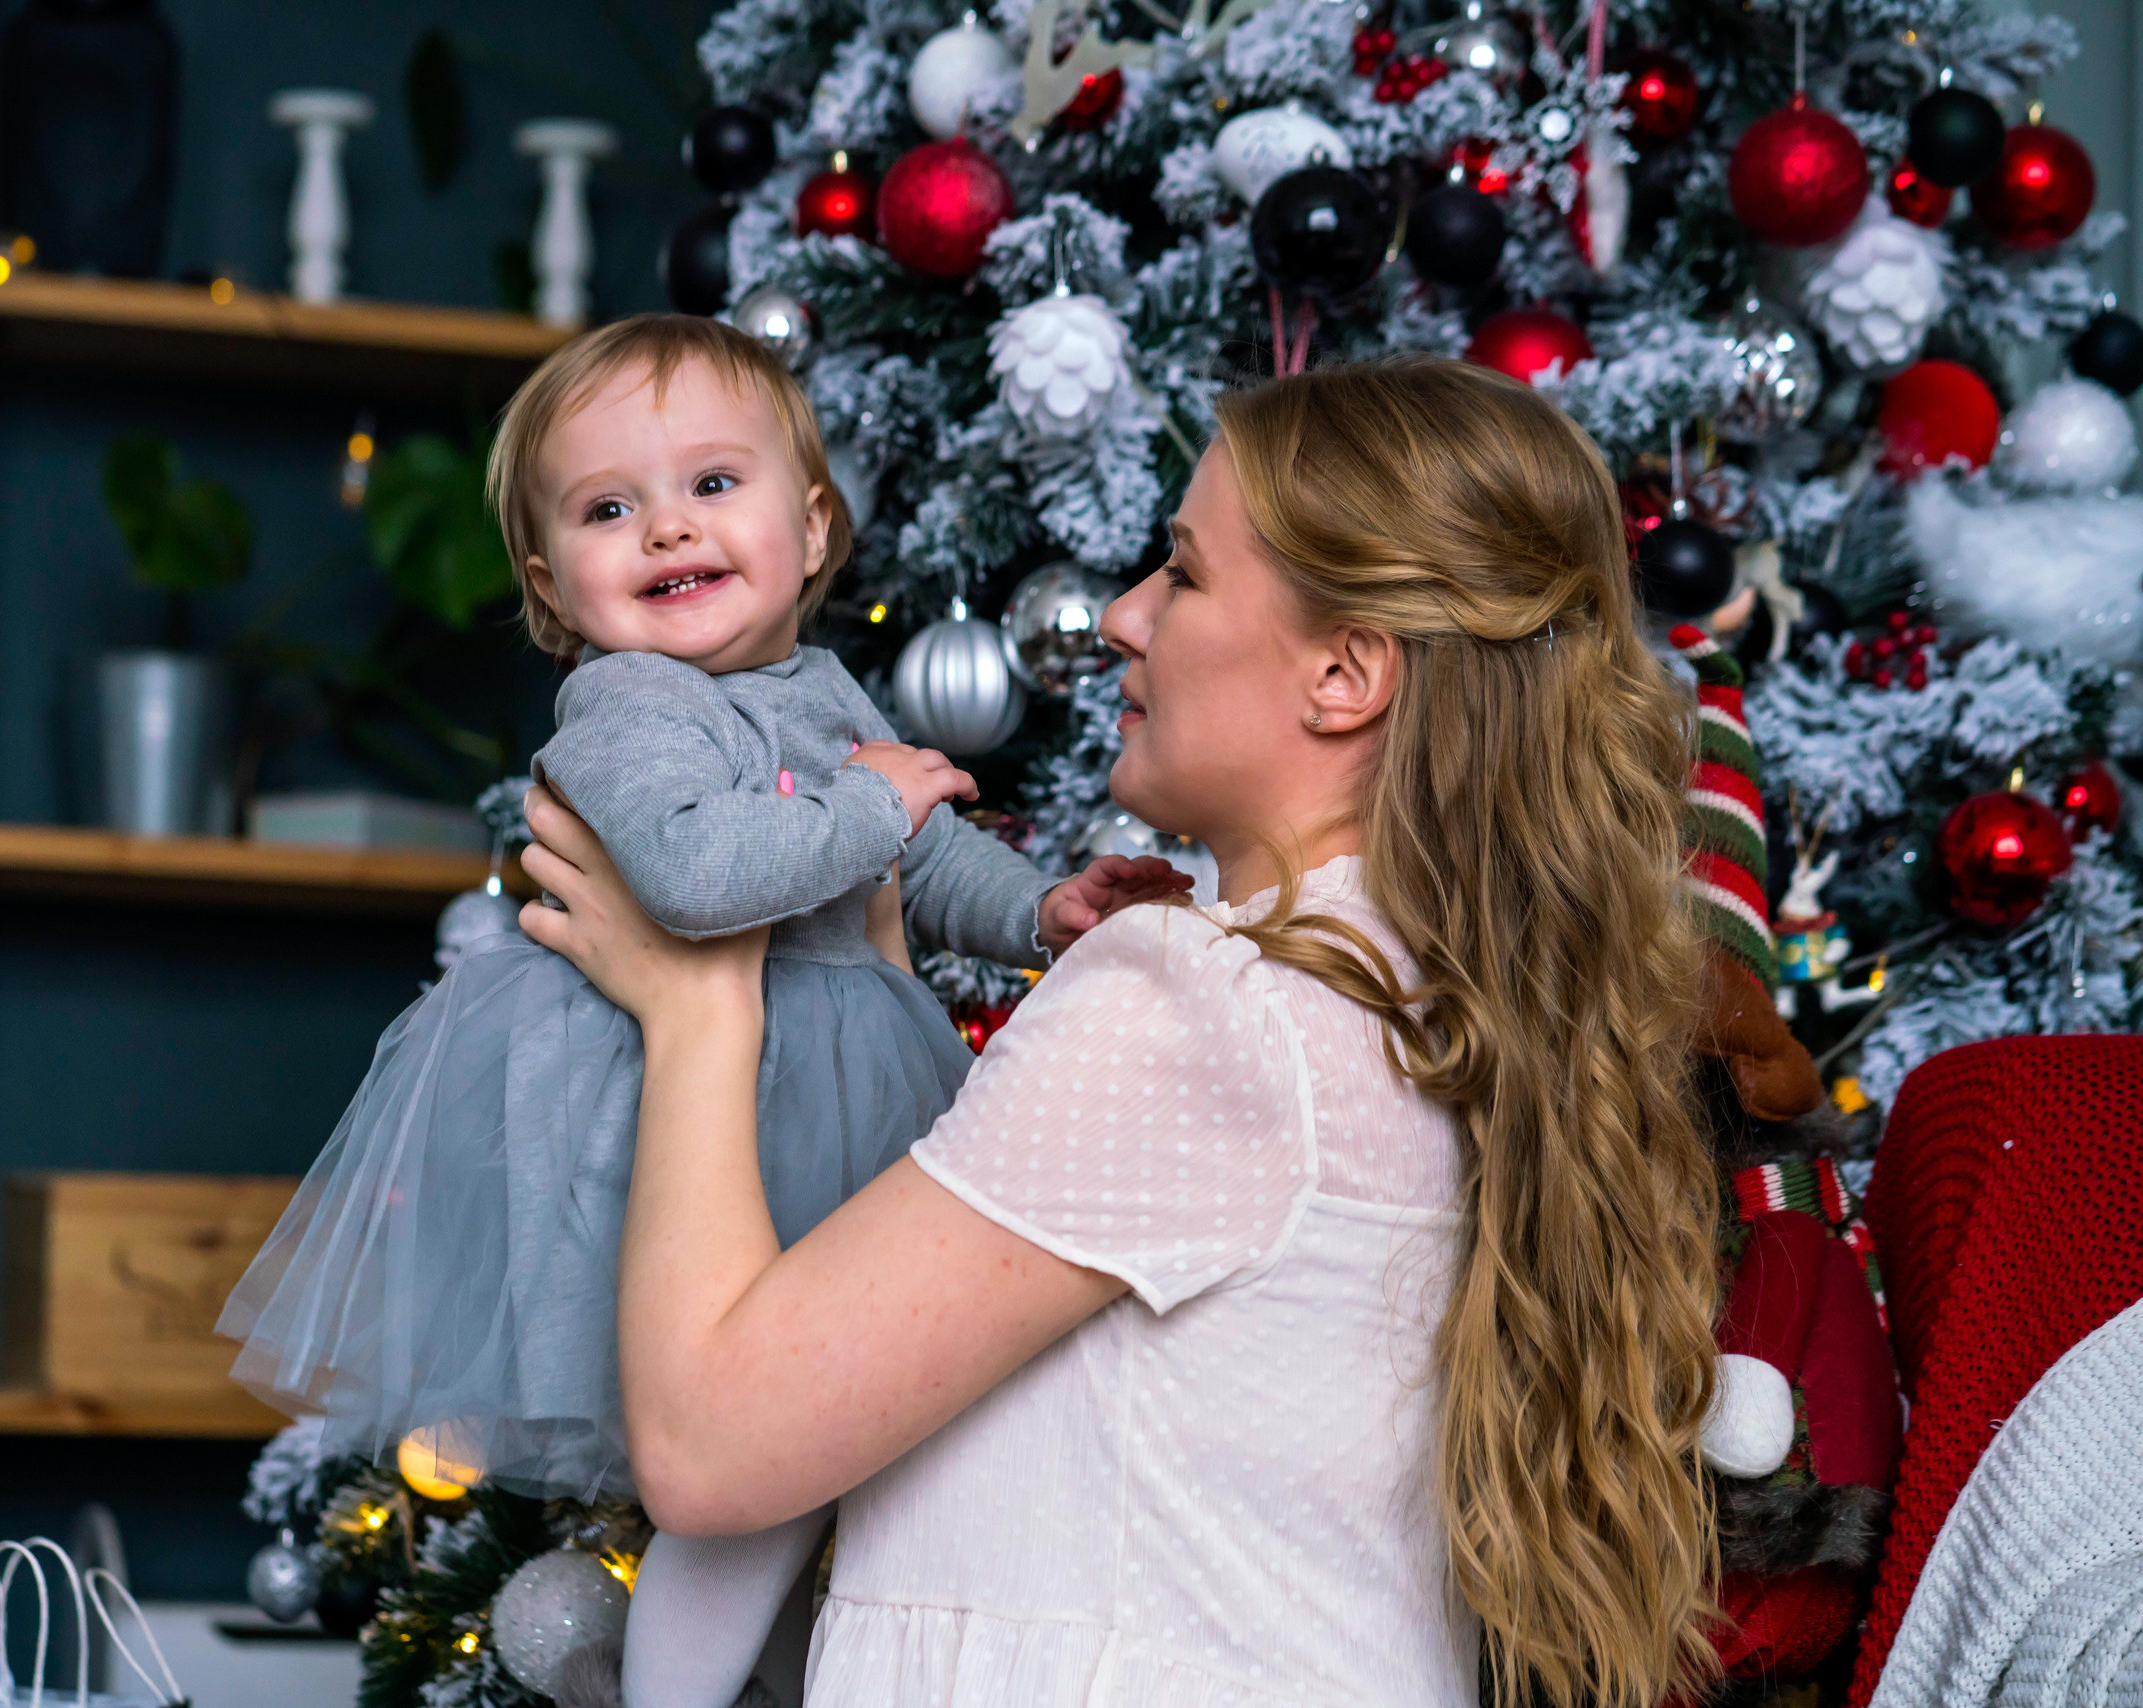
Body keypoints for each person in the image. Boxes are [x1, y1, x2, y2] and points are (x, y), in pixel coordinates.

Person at [519, 355, 1728, 1708]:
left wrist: (695, 1006)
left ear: (1345, 672)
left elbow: (709, 1447)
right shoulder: (1406, 983)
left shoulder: (1203, 1006)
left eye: (1185, 574)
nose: (1117, 616)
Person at [219, 315, 1185, 1708]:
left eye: (712, 487)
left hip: (829, 1091)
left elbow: (917, 848)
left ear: (812, 525)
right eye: (611, 509)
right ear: (555, 588)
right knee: (750, 1467)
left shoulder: (814, 688)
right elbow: (695, 877)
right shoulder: (626, 705)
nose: (667, 529)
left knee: (832, 1455)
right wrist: (872, 802)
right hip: (703, 1129)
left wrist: (1039, 912)